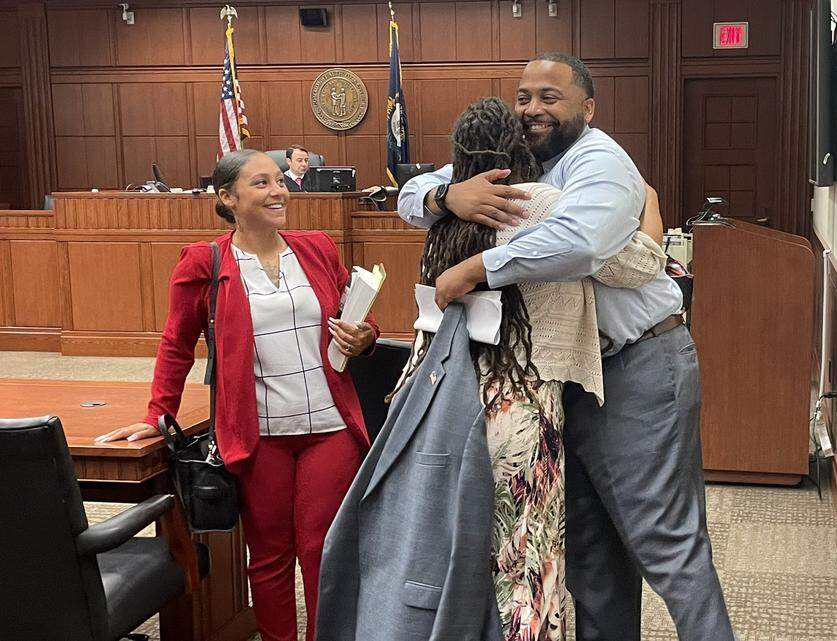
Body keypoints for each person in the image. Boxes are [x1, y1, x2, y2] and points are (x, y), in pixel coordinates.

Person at [398, 53, 735, 641]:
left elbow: (579, 243)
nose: (533, 109)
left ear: (588, 107)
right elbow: (413, 191)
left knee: (665, 542)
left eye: (550, 98)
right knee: (590, 553)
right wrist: (446, 197)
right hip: (560, 379)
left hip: (637, 365)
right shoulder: (521, 164)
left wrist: (478, 266)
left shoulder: (600, 161)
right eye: (524, 97)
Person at [96, 149, 378, 641]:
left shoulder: (317, 247)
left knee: (323, 550)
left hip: (329, 425)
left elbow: (357, 315)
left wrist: (365, 335)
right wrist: (157, 412)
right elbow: (177, 343)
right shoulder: (205, 262)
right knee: (269, 555)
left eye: (279, 181)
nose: (278, 191)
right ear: (227, 197)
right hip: (259, 432)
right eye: (261, 183)